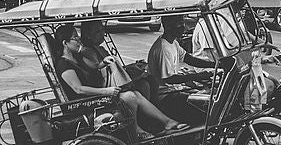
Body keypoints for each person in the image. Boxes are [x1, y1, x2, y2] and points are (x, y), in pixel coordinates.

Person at [53, 24, 184, 137]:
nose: (79, 40)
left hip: (94, 96)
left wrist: (103, 62)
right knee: (130, 96)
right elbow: (78, 89)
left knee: (137, 93)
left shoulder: (77, 58)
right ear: (65, 43)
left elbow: (94, 66)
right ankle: (135, 131)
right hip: (82, 103)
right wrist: (106, 91)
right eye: (75, 38)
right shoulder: (64, 64)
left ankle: (167, 122)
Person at [147, 15, 214, 126]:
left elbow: (188, 59)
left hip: (173, 91)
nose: (183, 28)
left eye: (183, 23)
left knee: (206, 97)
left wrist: (214, 64)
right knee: (202, 110)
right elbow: (170, 79)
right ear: (168, 27)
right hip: (165, 97)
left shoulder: (173, 43)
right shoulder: (163, 48)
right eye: (179, 24)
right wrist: (199, 76)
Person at [78, 20, 151, 100]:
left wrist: (133, 66)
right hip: (106, 87)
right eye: (97, 31)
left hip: (114, 82)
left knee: (148, 79)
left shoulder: (101, 49)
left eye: (102, 29)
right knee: (143, 85)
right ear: (88, 35)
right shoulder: (87, 52)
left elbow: (116, 68)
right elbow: (96, 68)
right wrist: (104, 62)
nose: (102, 33)